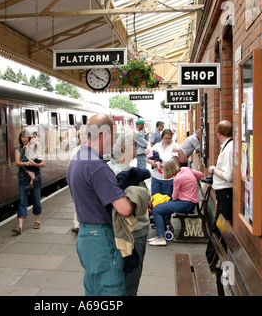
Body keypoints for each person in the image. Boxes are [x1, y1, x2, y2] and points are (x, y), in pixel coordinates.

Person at [67, 114, 135, 296]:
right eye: (113, 135)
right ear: (105, 134)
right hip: (101, 239)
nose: (113, 140)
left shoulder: (78, 158)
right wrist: (136, 197)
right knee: (110, 290)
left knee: (93, 289)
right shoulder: (97, 165)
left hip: (86, 235)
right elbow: (124, 208)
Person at [108, 128, 150, 296]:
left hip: (132, 233)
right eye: (134, 144)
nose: (137, 148)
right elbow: (124, 208)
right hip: (133, 234)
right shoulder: (119, 173)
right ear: (124, 148)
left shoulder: (119, 169)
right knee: (130, 281)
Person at [149, 161, 204, 246]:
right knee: (160, 207)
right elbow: (200, 175)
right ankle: (161, 234)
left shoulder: (178, 179)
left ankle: (161, 238)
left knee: (156, 210)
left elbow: (174, 197)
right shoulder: (186, 169)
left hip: (186, 203)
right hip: (191, 202)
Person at [205, 120, 234, 264]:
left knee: (218, 228)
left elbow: (228, 176)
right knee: (218, 227)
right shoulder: (227, 146)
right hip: (222, 193)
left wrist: (213, 169)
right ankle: (212, 259)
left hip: (226, 193)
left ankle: (209, 260)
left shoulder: (229, 149)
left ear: (218, 133)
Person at [13, 130, 45, 234]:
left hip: (36, 178)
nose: (24, 138)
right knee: (22, 201)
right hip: (23, 179)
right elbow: (17, 163)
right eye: (22, 137)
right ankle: (20, 227)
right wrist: (26, 163)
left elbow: (43, 164)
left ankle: (37, 220)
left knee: (36, 200)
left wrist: (34, 164)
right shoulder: (18, 149)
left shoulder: (36, 148)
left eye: (25, 137)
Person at [146, 129, 187, 198]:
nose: (168, 140)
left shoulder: (175, 146)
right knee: (155, 198)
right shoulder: (157, 146)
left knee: (167, 199)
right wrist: (151, 162)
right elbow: (147, 158)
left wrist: (180, 151)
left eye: (169, 138)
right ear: (162, 138)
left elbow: (184, 160)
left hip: (170, 179)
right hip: (156, 177)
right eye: (166, 138)